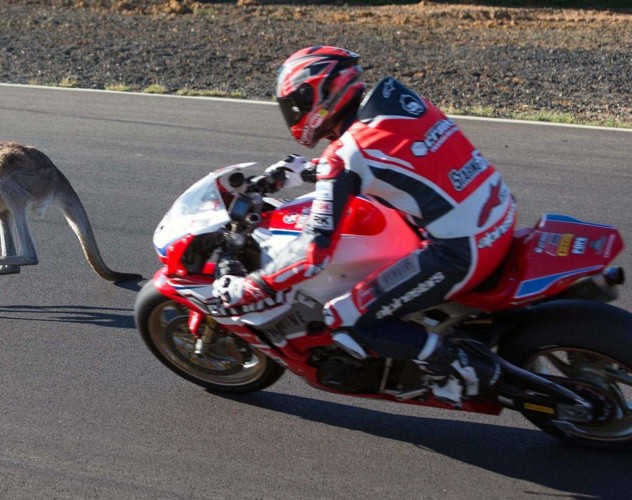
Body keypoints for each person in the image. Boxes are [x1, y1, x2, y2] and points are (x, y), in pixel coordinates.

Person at [212, 45, 517, 403]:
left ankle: (454, 362)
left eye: (294, 104)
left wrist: (253, 288)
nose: (293, 114)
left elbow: (314, 256)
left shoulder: (343, 156)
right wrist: (309, 172)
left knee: (344, 316)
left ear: (317, 97)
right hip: (497, 211)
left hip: (462, 249)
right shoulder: (398, 99)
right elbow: (389, 158)